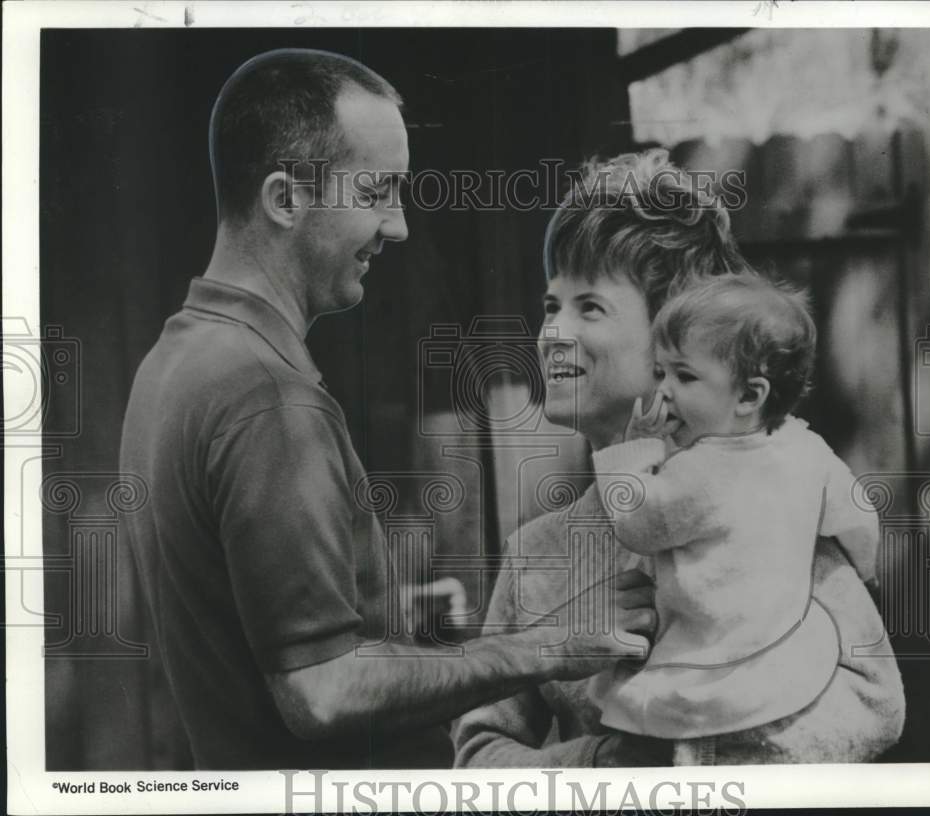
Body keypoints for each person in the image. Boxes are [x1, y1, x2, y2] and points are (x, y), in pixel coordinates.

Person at [119, 49, 657, 770]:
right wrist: (548, 647)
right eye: (377, 192)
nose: (398, 227)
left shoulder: (175, 360)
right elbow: (323, 692)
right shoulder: (263, 391)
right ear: (285, 199)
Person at [453, 148, 905, 767]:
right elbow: (478, 754)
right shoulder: (539, 553)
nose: (554, 332)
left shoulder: (773, 508)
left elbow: (873, 702)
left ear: (680, 334)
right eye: (551, 305)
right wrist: (597, 766)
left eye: (591, 306)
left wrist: (703, 772)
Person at [588, 272, 883, 747]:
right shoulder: (808, 451)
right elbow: (858, 518)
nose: (662, 391)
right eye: (660, 371)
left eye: (684, 376)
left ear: (749, 396)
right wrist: (865, 568)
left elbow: (636, 522)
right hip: (784, 647)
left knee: (646, 719)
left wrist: (635, 451)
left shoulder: (699, 473)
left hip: (713, 659)